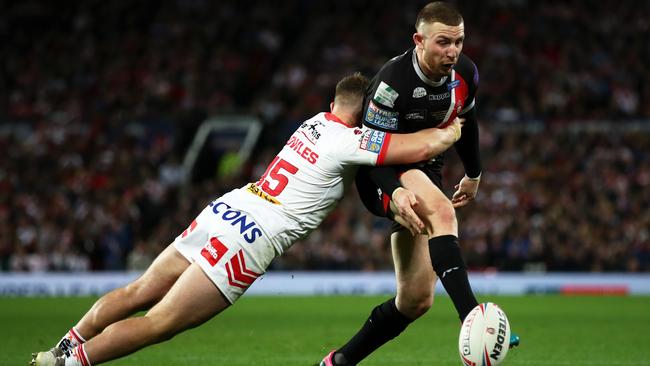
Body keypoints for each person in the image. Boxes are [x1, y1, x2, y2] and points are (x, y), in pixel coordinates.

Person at [31, 73, 465, 366]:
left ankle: (61, 347)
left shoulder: (314, 123)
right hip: (250, 237)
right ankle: (70, 364)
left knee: (138, 290)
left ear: (333, 102)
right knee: (158, 324)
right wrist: (449, 131)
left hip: (228, 208)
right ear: (366, 109)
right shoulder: (351, 141)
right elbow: (417, 149)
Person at [320, 3, 518, 366]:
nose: (453, 51)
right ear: (419, 40)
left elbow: (468, 122)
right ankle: (473, 320)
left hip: (427, 170)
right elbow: (368, 154)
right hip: (381, 172)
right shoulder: (390, 85)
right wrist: (394, 191)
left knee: (415, 300)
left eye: (458, 42)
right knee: (442, 211)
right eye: (443, 42)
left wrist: (474, 174)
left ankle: (340, 361)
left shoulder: (466, 74)